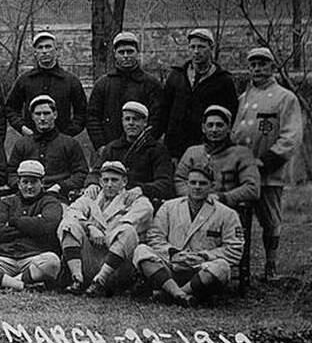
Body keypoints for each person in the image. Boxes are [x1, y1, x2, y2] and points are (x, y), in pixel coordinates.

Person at [232, 47, 305, 280]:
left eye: (263, 64)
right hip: (242, 171)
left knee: (270, 220)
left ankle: (270, 266)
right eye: (253, 65)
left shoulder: (285, 97)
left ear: (272, 66)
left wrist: (266, 162)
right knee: (238, 219)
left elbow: (291, 136)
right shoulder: (243, 98)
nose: (258, 69)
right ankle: (239, 268)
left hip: (268, 171)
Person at [133, 164, 244, 305]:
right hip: (172, 266)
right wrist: (173, 253)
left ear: (212, 186)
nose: (197, 187)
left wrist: (204, 255)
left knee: (222, 267)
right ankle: (179, 295)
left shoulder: (227, 214)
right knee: (141, 251)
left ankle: (175, 294)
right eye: (193, 183)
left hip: (203, 270)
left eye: (203, 183)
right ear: (187, 184)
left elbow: (234, 249)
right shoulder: (169, 206)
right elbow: (155, 237)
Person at [0, 160, 62, 290]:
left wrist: (14, 222)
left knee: (52, 262)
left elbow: (47, 226)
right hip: (5, 259)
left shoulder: (51, 203)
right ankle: (19, 284)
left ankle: (3, 281)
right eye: (25, 182)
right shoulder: (7, 203)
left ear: (42, 183)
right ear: (19, 184)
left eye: (34, 182)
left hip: (34, 258)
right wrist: (33, 225)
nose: (29, 186)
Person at [58, 160, 154, 296]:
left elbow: (145, 212)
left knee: (128, 231)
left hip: (118, 266)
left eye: (114, 180)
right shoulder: (91, 198)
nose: (109, 185)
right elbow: (72, 212)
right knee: (68, 224)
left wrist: (104, 234)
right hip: (91, 260)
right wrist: (90, 226)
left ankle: (99, 281)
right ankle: (77, 279)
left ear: (124, 181)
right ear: (100, 182)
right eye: (106, 180)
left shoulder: (135, 200)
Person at [158, 28, 239, 160]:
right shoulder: (176, 76)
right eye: (192, 47)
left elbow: (231, 115)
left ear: (211, 48)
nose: (196, 52)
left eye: (201, 47)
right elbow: (164, 111)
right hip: (176, 149)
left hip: (208, 148)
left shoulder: (223, 80)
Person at [86, 32, 163, 152]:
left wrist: (146, 143)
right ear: (115, 55)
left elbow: (158, 118)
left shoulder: (151, 84)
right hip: (109, 148)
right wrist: (101, 145)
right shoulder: (103, 84)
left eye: (130, 51)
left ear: (137, 53)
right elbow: (92, 117)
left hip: (143, 150)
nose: (126, 56)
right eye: (121, 52)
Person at [175, 105, 260, 209]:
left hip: (228, 209)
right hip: (194, 207)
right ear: (203, 128)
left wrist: (222, 197)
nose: (214, 130)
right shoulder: (192, 152)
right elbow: (179, 179)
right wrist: (194, 197)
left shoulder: (242, 154)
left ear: (229, 128)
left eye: (219, 125)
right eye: (210, 125)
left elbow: (252, 188)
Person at [5, 32, 87, 138]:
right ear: (35, 53)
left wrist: (68, 133)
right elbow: (11, 108)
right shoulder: (25, 80)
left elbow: (82, 112)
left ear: (56, 51)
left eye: (48, 47)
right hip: (31, 142)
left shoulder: (70, 81)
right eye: (40, 48)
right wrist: (22, 128)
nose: (44, 51)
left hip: (61, 144)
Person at [87, 101, 174, 202]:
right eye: (127, 119)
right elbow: (96, 172)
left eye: (136, 119)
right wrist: (92, 184)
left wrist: (142, 189)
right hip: (110, 198)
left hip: (140, 200)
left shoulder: (157, 150)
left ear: (145, 123)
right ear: (122, 122)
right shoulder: (112, 148)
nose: (131, 123)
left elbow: (165, 183)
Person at [7, 95, 87, 199]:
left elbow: (81, 173)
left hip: (59, 196)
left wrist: (61, 186)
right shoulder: (22, 144)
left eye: (46, 113)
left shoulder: (69, 143)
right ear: (32, 116)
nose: (42, 118)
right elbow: (11, 173)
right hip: (26, 197)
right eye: (38, 114)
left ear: (55, 114)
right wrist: (23, 187)